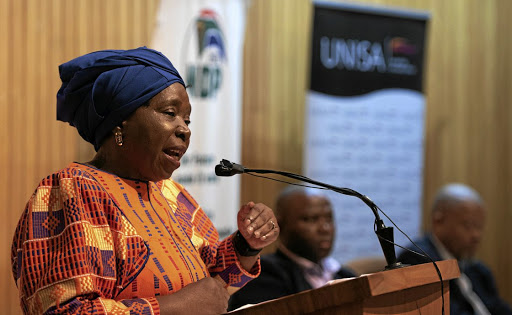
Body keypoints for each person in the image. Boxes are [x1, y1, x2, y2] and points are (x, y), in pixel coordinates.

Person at [11, 47, 280, 315]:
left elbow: (213, 284)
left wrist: (247, 243)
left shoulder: (172, 194)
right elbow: (64, 310)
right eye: (169, 113)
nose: (185, 129)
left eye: (187, 119)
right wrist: (174, 308)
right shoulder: (72, 190)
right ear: (121, 124)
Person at [228, 186, 355, 310]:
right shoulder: (263, 274)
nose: (324, 229)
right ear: (280, 226)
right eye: (311, 219)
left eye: (329, 219)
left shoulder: (344, 275)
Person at [398, 183, 512, 315]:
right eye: (468, 225)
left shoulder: (476, 269)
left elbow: (498, 307)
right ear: (438, 221)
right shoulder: (416, 259)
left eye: (479, 227)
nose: (476, 235)